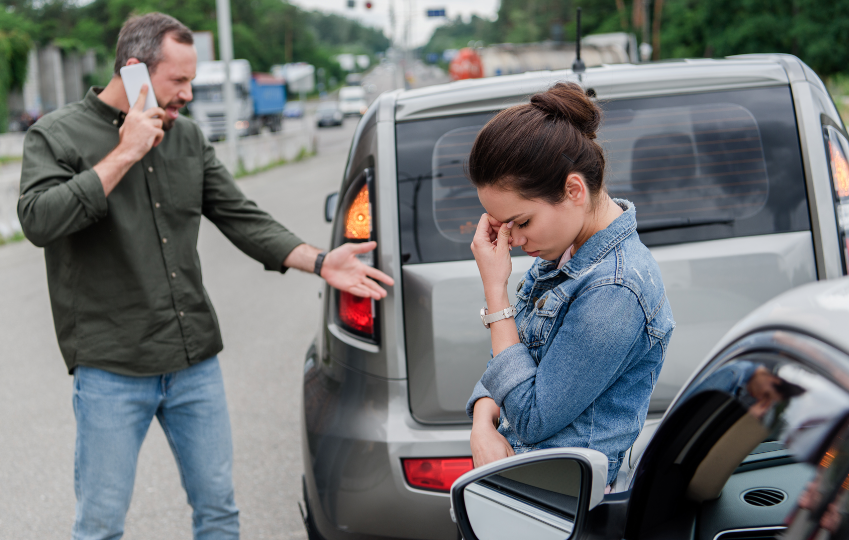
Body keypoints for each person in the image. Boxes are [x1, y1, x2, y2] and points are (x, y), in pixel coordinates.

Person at [16, 13, 393, 540]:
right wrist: (125, 152)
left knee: (218, 514)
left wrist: (322, 260)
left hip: (193, 363)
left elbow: (241, 216)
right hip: (111, 369)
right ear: (135, 73)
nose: (190, 94)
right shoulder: (56, 135)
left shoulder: (187, 139)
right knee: (100, 525)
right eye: (180, 81)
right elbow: (37, 220)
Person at [465, 82, 675, 486]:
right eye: (503, 226)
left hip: (561, 504)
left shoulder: (615, 289)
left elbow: (528, 416)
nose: (515, 241)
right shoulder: (567, 255)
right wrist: (481, 423)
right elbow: (515, 358)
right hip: (528, 490)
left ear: (574, 190)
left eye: (522, 222)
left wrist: (496, 292)